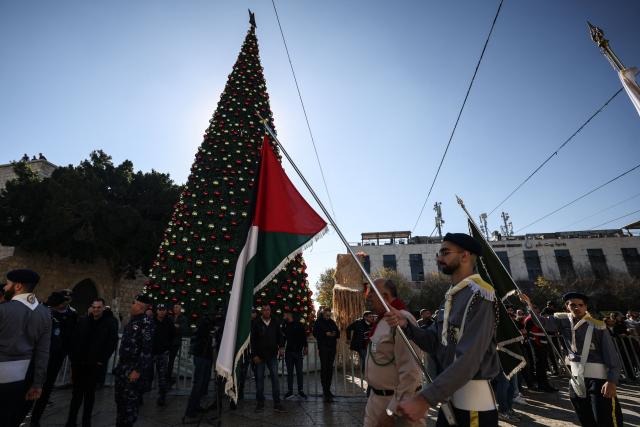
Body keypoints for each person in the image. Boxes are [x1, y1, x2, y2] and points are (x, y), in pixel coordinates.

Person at [384, 233, 500, 426]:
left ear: (465, 256)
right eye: (439, 253)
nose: (439, 258)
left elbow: (469, 359)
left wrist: (424, 399)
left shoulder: (480, 294)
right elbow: (436, 344)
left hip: (473, 407)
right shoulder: (451, 296)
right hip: (448, 400)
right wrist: (407, 325)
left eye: (445, 252)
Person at [523, 291, 623, 426]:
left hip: (598, 380)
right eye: (572, 305)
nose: (577, 308)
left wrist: (611, 381)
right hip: (576, 379)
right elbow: (542, 323)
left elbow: (611, 355)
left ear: (585, 307)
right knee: (586, 419)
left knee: (605, 420)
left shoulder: (598, 326)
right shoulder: (562, 320)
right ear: (566, 306)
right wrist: (528, 305)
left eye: (580, 305)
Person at [364, 278, 423, 427]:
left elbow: (411, 372)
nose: (368, 296)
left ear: (385, 296)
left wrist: (392, 411)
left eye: (372, 293)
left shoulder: (401, 319)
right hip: (376, 399)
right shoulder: (382, 321)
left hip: (396, 404)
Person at [0, 269, 51, 427]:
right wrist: (37, 384)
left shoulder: (3, 309)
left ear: (18, 287)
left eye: (8, 284)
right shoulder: (45, 314)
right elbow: (43, 352)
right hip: (24, 379)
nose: (4, 288)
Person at [65, 297, 118, 427]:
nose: (96, 310)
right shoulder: (83, 321)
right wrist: (73, 359)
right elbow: (74, 340)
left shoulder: (109, 323)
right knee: (76, 394)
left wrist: (101, 360)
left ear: (103, 308)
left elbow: (111, 343)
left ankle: (86, 421)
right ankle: (71, 421)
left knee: (89, 395)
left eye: (98, 307)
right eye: (94, 307)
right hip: (79, 364)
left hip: (95, 365)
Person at [31, 291, 78, 426]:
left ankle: (35, 419)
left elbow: (72, 335)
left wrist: (67, 352)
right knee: (31, 383)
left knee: (46, 388)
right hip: (38, 354)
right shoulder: (44, 311)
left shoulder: (71, 315)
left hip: (56, 356)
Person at [113, 294, 153, 427]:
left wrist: (138, 370)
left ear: (140, 307)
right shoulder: (133, 321)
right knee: (120, 401)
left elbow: (146, 350)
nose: (132, 305)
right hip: (123, 368)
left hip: (133, 369)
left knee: (130, 405)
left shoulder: (145, 323)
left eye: (134, 303)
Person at [250, 304, 286, 412]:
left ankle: (277, 403)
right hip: (259, 357)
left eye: (268, 310)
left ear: (270, 311)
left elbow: (280, 336)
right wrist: (254, 355)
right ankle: (260, 403)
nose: (266, 312)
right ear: (262, 311)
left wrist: (282, 347)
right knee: (259, 380)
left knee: (275, 379)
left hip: (272, 356)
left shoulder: (275, 322)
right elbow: (253, 341)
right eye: (264, 310)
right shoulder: (256, 323)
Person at [184, 309, 217, 419]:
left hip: (206, 356)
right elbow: (202, 338)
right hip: (202, 356)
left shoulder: (206, 325)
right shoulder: (204, 325)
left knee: (203, 383)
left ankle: (196, 405)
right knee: (198, 384)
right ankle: (191, 409)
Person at [524, 304, 557, 392]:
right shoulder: (530, 319)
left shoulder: (538, 318)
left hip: (543, 344)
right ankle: (542, 385)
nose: (538, 309)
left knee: (543, 365)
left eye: (537, 307)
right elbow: (528, 333)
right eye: (534, 308)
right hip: (537, 345)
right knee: (540, 366)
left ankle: (545, 384)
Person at [313, 307, 340, 402]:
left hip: (332, 347)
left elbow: (338, 333)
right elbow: (315, 333)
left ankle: (328, 389)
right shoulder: (318, 322)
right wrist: (325, 334)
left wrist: (334, 334)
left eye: (329, 315)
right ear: (323, 314)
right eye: (326, 315)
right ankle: (325, 390)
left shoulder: (332, 322)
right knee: (324, 368)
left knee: (329, 369)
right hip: (323, 347)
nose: (328, 317)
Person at [151, 303, 175, 406]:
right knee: (146, 375)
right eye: (160, 309)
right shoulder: (151, 321)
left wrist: (168, 347)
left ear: (166, 311)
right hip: (151, 353)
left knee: (162, 377)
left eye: (163, 309)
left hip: (163, 353)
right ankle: (140, 395)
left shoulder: (169, 322)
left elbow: (173, 335)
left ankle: (162, 397)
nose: (161, 311)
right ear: (157, 310)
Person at [282, 311, 308, 400]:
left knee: (299, 372)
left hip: (298, 352)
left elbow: (304, 336)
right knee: (289, 372)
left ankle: (300, 390)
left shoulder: (299, 324)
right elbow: (283, 338)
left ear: (289, 314)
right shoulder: (285, 325)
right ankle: (290, 391)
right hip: (289, 352)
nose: (283, 315)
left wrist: (305, 347)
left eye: (285, 314)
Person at [168, 303, 189, 385]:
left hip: (175, 342)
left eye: (177, 307)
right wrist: (175, 326)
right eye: (174, 307)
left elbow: (183, 329)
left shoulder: (183, 318)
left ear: (180, 309)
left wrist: (175, 327)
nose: (175, 309)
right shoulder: (170, 317)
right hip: (168, 342)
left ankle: (169, 377)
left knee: (171, 361)